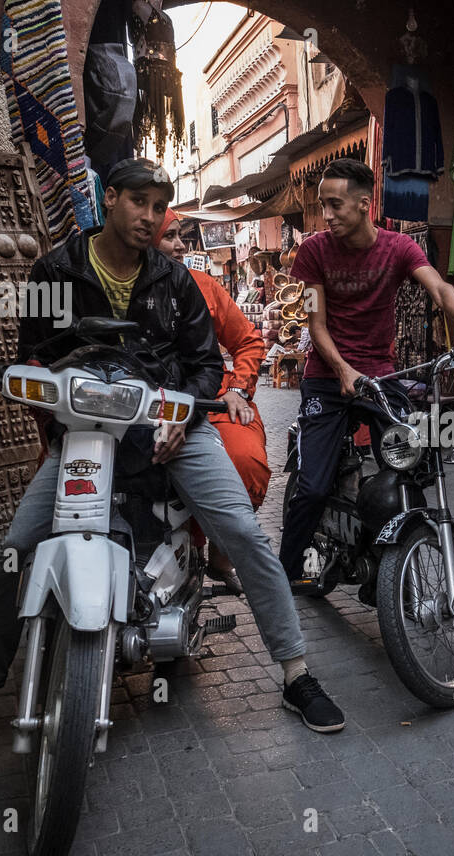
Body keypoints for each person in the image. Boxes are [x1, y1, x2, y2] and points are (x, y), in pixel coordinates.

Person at [0, 158, 344, 757]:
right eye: (139, 203)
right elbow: (34, 356)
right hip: (86, 428)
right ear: (111, 199)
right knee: (16, 550)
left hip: (169, 424)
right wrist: (53, 421)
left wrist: (184, 416)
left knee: (243, 533)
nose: (149, 218)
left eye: (159, 207)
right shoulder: (57, 270)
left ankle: (295, 672)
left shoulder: (174, 281)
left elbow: (206, 363)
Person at [277, 158, 454, 590]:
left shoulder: (398, 248)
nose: (327, 215)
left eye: (335, 205)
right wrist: (342, 369)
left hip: (380, 379)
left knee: (408, 465)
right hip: (327, 377)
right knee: (314, 485)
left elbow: (439, 288)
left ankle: (388, 558)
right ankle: (284, 577)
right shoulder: (313, 251)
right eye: (323, 205)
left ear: (365, 204)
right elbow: (315, 324)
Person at [154, 208, 271, 593]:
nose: (179, 246)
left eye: (180, 236)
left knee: (244, 460)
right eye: (169, 236)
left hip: (210, 402)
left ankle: (222, 550)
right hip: (144, 405)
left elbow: (248, 340)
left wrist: (238, 389)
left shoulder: (202, 284)